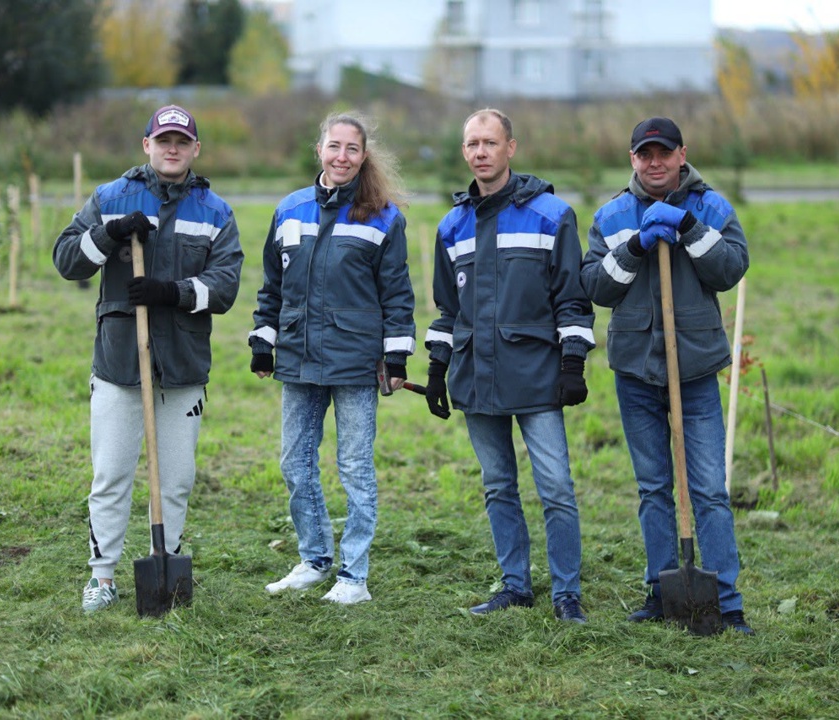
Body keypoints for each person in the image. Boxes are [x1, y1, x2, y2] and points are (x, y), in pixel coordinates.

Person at [53, 104, 244, 612]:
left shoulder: (215, 212)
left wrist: (171, 292)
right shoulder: (110, 198)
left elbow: (225, 288)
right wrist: (108, 235)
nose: (172, 148)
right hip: (119, 363)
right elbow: (67, 262)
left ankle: (168, 560)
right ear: (147, 145)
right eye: (164, 140)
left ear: (195, 149)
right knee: (112, 474)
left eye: (182, 141)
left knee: (177, 478)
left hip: (182, 367)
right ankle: (102, 575)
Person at [579, 116, 753, 634]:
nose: (654, 163)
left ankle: (726, 601)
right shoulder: (611, 216)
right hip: (636, 369)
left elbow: (729, 270)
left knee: (709, 490)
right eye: (644, 154)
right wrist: (634, 247)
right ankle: (661, 591)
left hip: (695, 368)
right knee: (654, 488)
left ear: (682, 154)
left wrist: (687, 229)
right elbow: (595, 286)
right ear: (632, 159)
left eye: (664, 153)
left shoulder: (712, 208)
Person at [424, 108, 595, 623]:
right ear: (464, 152)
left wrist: (573, 364)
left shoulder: (551, 216)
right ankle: (515, 585)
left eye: (490, 143)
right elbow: (446, 310)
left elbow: (573, 300)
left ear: (511, 148)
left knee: (557, 489)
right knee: (498, 485)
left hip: (538, 376)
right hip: (476, 377)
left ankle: (567, 593)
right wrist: (436, 368)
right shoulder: (452, 226)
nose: (481, 152)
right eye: (472, 144)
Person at [249, 111, 416, 605]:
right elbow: (271, 286)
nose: (342, 156)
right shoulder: (289, 209)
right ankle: (314, 559)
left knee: (355, 467)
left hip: (356, 361)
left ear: (363, 156)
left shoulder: (384, 216)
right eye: (334, 146)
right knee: (295, 463)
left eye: (352, 149)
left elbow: (398, 295)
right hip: (299, 355)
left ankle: (354, 576)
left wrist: (397, 357)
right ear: (319, 149)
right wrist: (264, 338)